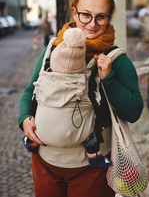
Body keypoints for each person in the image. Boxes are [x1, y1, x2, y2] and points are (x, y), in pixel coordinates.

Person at [18, 0, 144, 197]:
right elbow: (29, 92)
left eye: (101, 17)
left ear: (109, 18)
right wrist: (24, 119)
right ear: (74, 12)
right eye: (86, 15)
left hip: (91, 169)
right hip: (45, 163)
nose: (92, 24)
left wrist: (108, 79)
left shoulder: (117, 59)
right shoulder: (52, 48)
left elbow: (134, 111)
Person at [22, 27, 112, 167]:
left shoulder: (48, 68)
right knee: (90, 127)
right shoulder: (88, 75)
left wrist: (25, 117)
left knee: (37, 112)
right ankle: (94, 156)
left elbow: (31, 90)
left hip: (43, 132)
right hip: (80, 135)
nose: (92, 24)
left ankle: (30, 142)